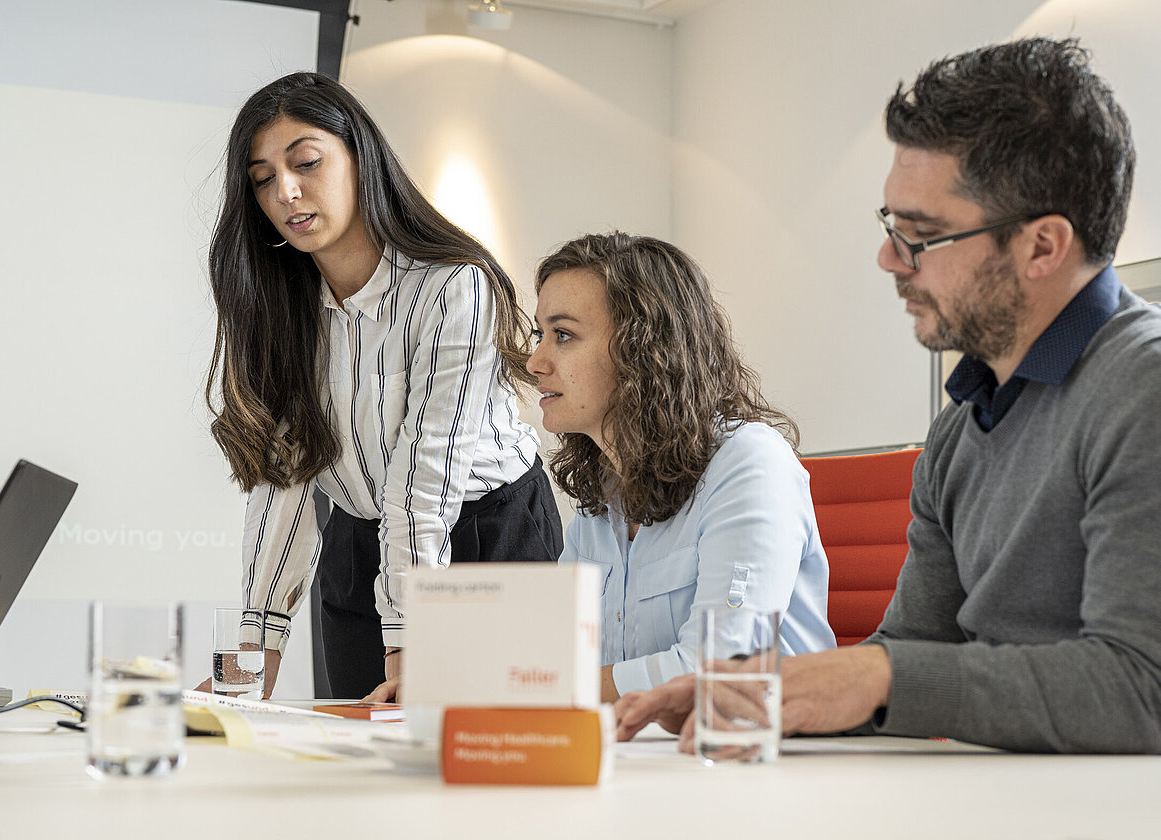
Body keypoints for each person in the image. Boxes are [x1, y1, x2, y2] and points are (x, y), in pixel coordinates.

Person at [614, 37, 1161, 754]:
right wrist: (764, 688)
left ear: (1042, 246)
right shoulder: (963, 426)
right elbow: (911, 653)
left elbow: (1141, 688)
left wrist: (878, 675)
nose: (888, 258)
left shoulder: (1143, 390)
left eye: (921, 235)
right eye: (891, 227)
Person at [203, 72, 562, 700]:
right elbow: (282, 480)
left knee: (482, 748)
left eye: (306, 163)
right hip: (360, 539)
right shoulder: (281, 306)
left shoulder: (453, 287)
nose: (285, 191)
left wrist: (408, 639)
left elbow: (426, 479)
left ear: (360, 158)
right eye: (262, 179)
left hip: (488, 535)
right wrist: (254, 652)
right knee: (361, 748)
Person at [526, 232, 836, 703]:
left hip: (766, 744)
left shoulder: (750, 463)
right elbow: (551, 655)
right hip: (642, 745)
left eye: (562, 335)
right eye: (540, 335)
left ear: (642, 349)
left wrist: (535, 685)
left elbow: (719, 669)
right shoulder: (602, 491)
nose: (535, 361)